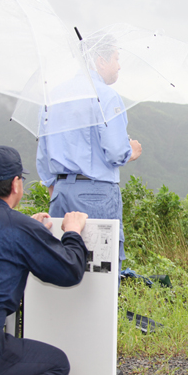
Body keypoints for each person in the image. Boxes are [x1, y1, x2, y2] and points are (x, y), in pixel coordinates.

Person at [36, 33, 142, 275]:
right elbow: (116, 151)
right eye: (116, 58)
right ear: (100, 60)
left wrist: (56, 190)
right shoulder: (105, 96)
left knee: (60, 261)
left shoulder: (52, 96)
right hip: (96, 192)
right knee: (101, 267)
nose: (119, 65)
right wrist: (131, 152)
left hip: (60, 192)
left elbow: (43, 154)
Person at [0, 146, 89, 375]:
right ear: (15, 184)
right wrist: (73, 233)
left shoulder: (20, 228)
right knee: (57, 364)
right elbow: (70, 271)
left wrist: (31, 233)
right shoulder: (18, 228)